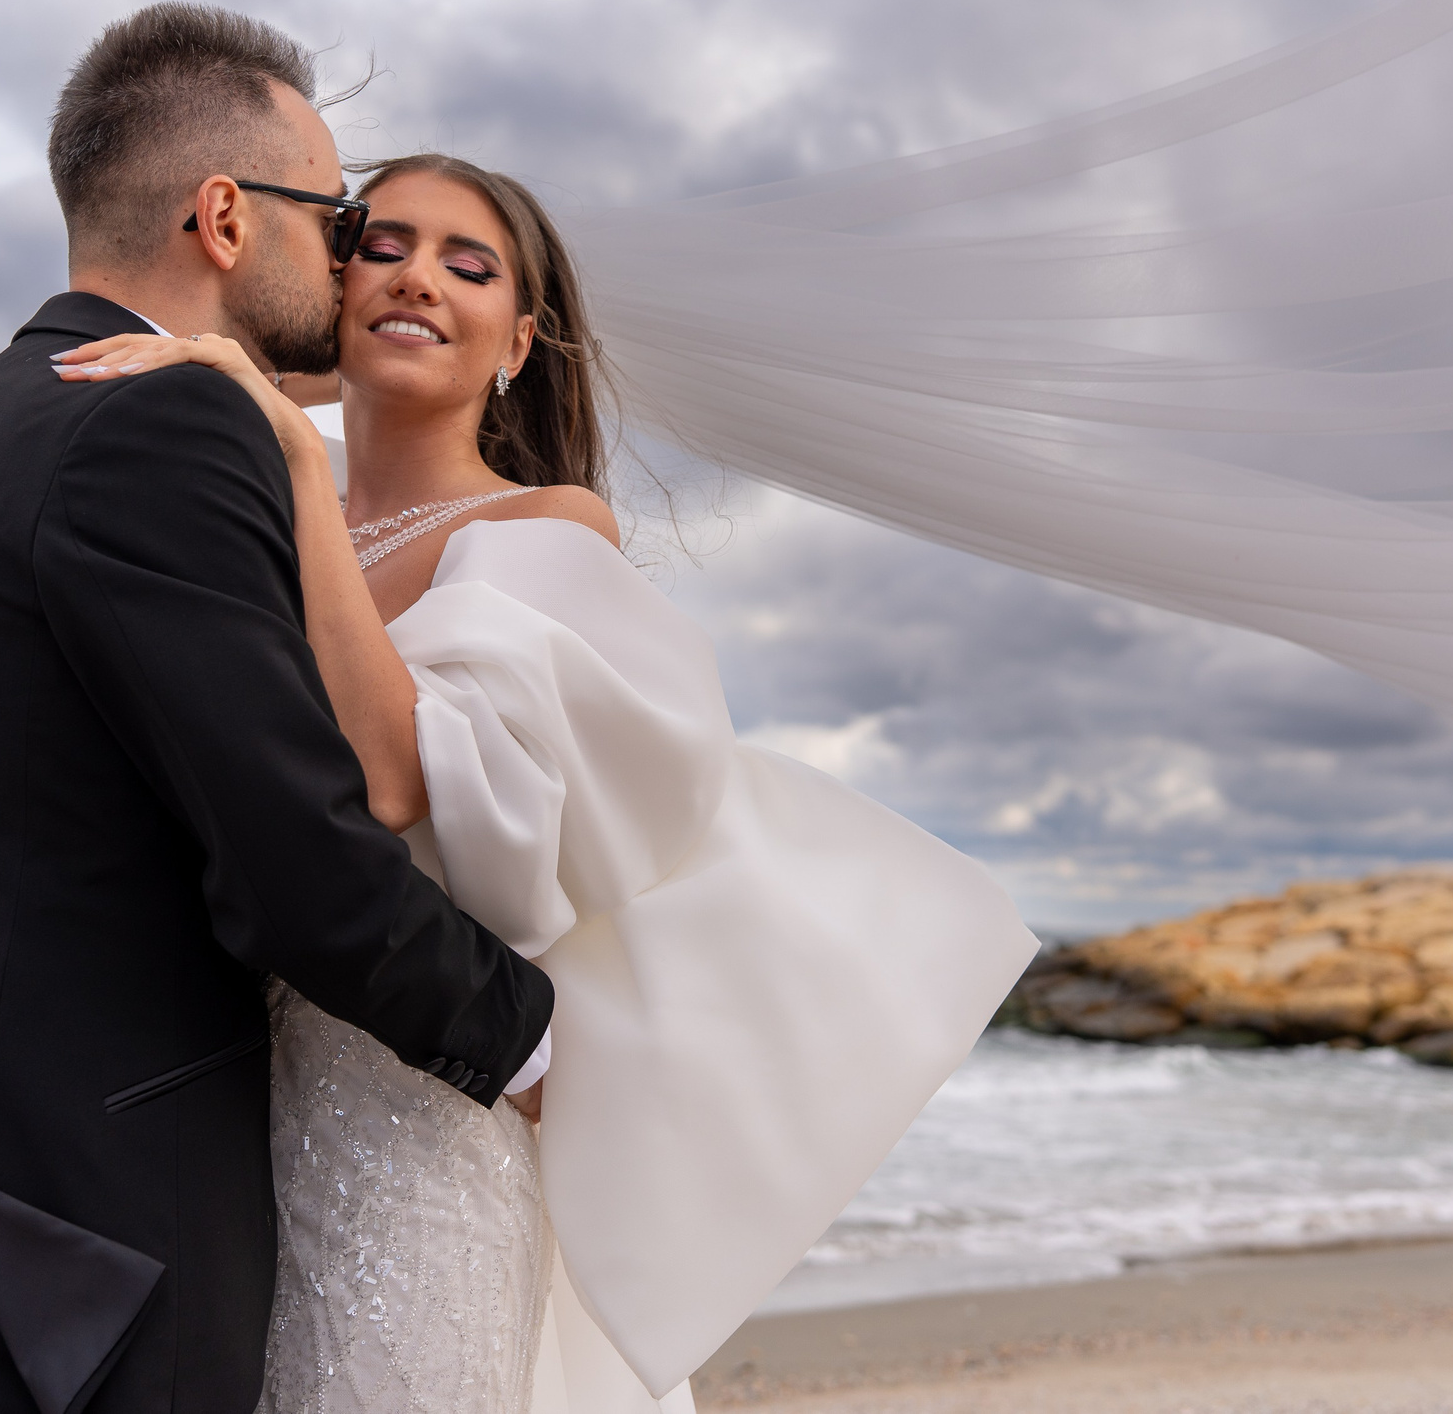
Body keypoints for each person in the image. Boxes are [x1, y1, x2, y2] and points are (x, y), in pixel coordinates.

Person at [53, 152, 1038, 1410]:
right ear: (333, 283)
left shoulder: (545, 532)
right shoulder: (238, 511)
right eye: (386, 244)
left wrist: (297, 461)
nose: (418, 279)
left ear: (516, 342)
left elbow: (392, 776)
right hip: (225, 1122)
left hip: (412, 1124)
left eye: (469, 267)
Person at [0, 6, 557, 1414]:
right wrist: (537, 1041)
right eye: (338, 216)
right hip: (60, 1265)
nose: (352, 258)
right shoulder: (163, 425)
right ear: (227, 216)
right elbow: (298, 862)